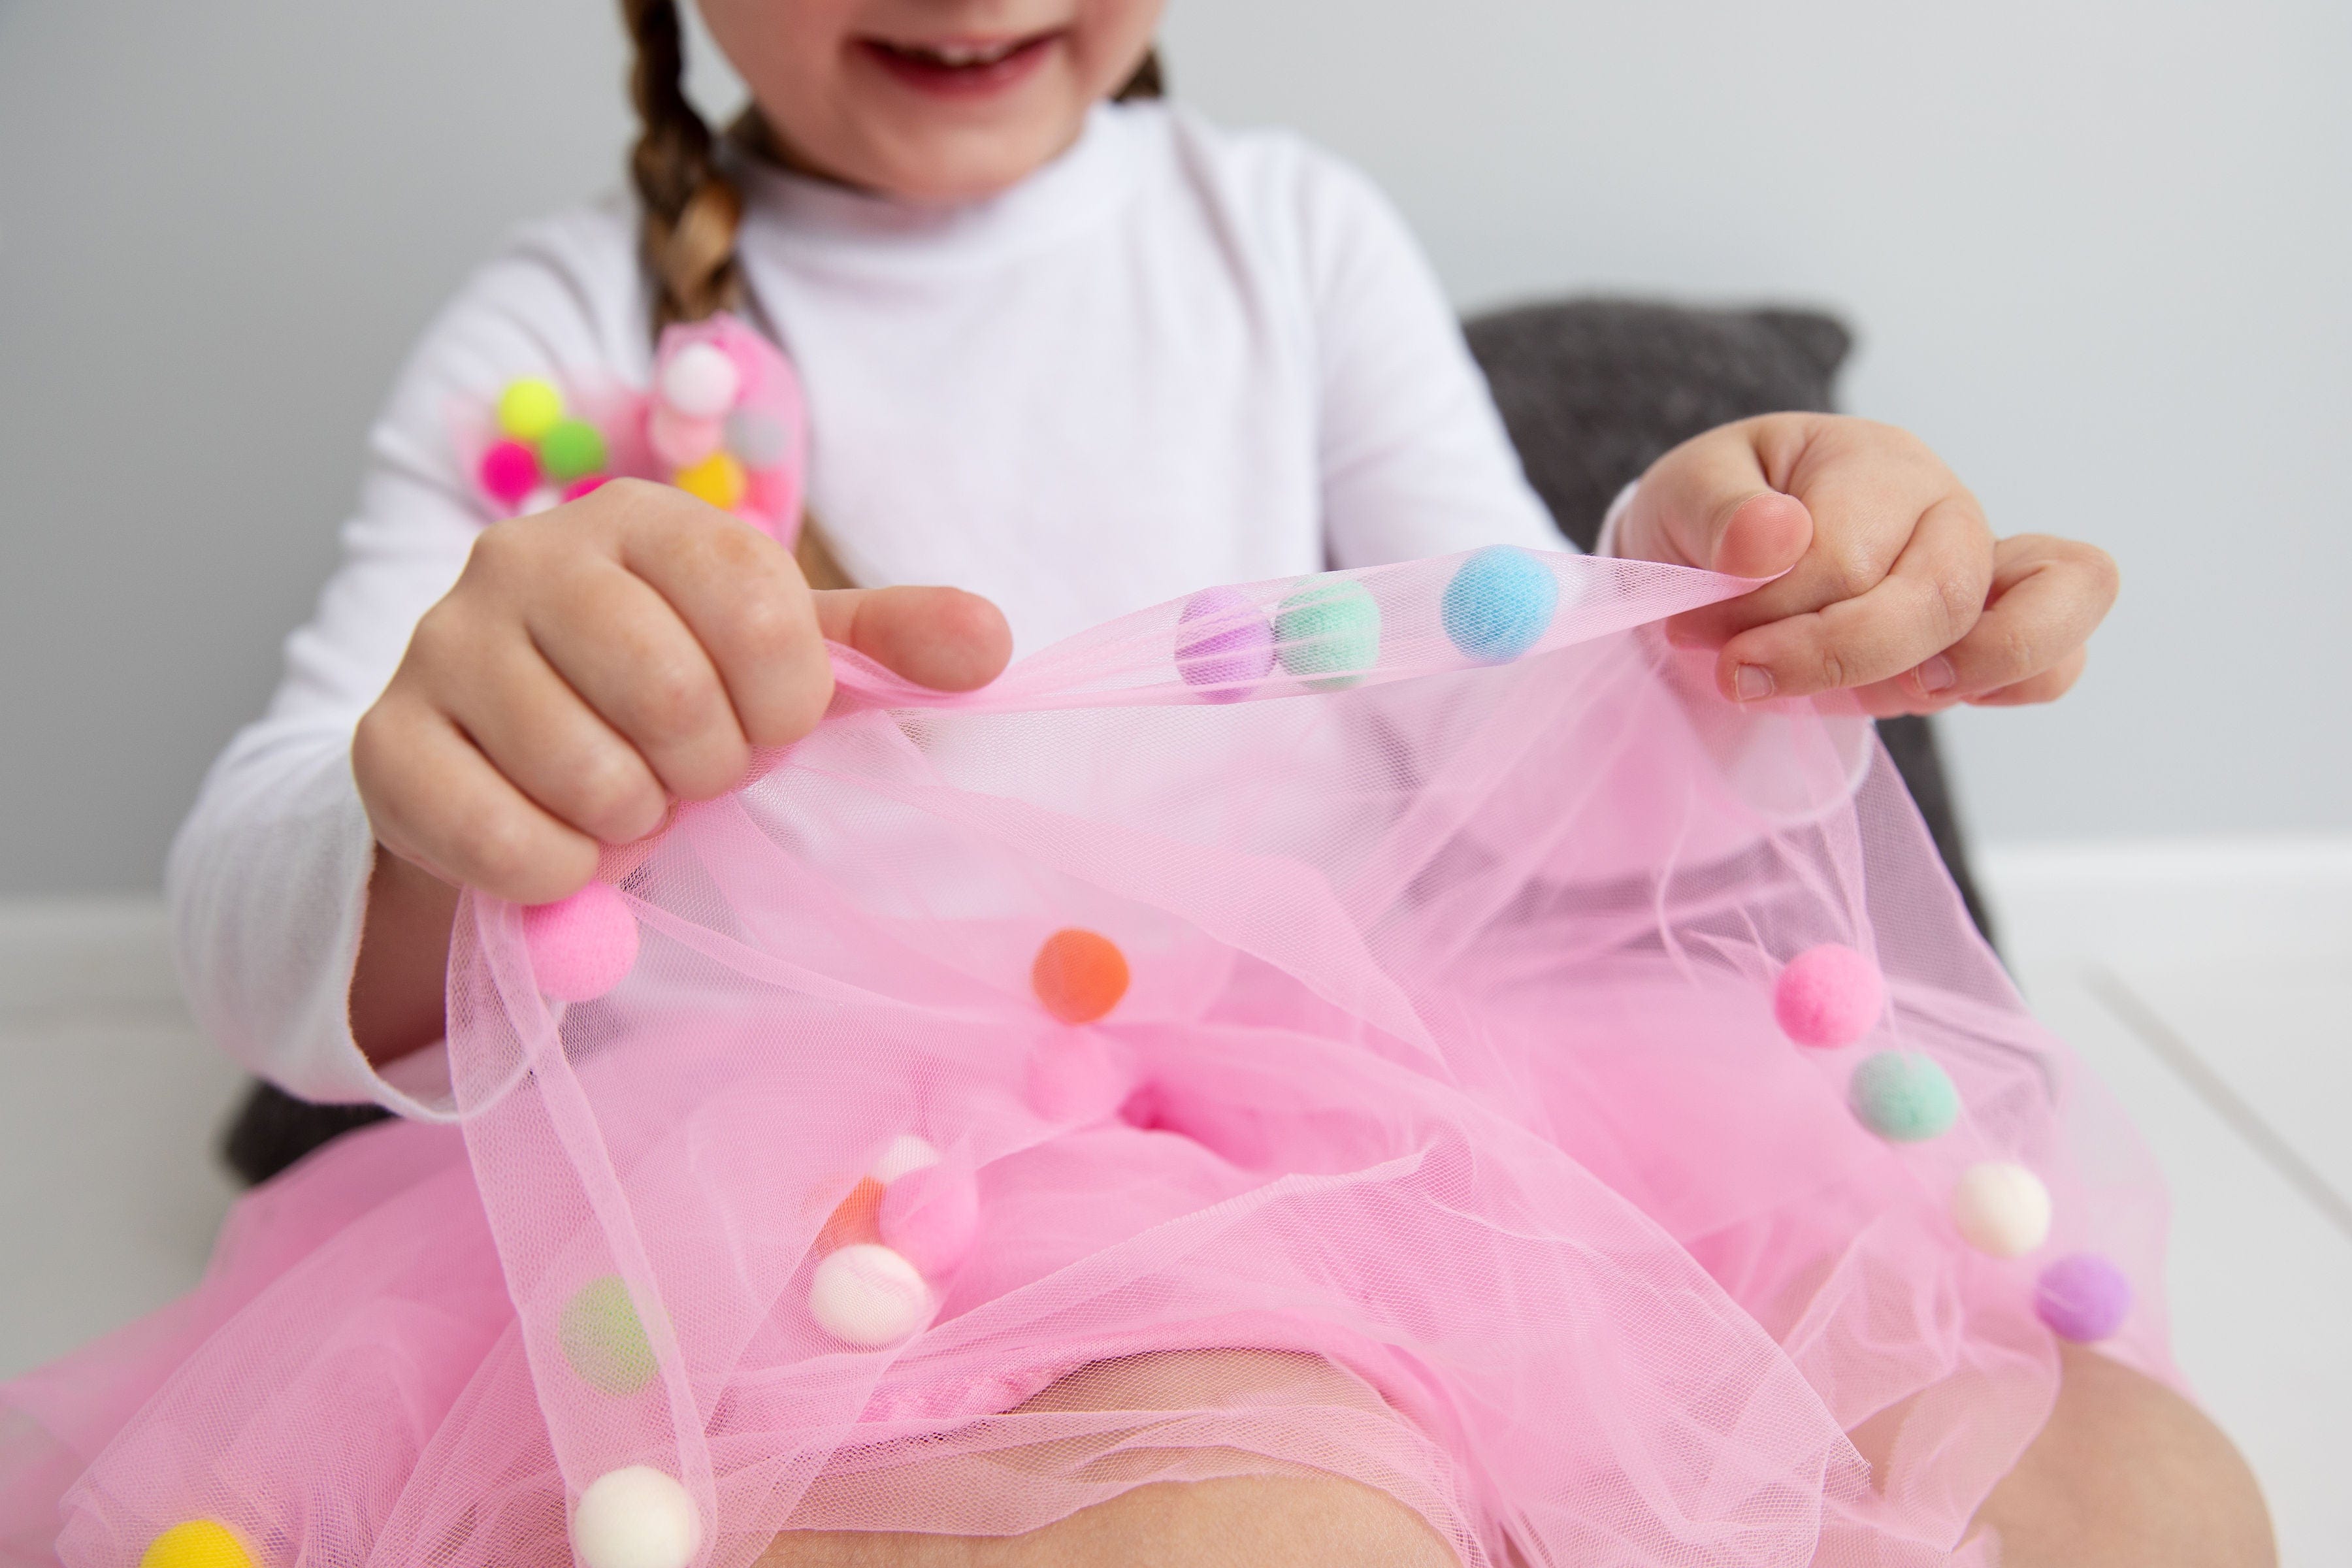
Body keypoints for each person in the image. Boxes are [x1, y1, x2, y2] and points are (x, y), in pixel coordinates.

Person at [101, 1, 2274, 1563]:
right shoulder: (556, 330)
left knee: (2143, 1505)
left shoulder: (1292, 239)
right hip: (854, 1218)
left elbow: (1529, 779)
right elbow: (254, 938)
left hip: (1400, 1121)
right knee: (1266, 1529)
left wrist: (1708, 608)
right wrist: (432, 800)